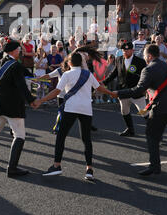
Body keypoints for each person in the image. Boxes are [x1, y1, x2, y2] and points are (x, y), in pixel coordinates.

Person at [110, 44, 167, 175]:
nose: (144, 58)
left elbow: (138, 90)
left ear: (149, 56)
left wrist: (118, 93)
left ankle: (155, 166)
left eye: (145, 56)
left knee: (151, 136)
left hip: (160, 109)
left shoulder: (148, 70)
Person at [33, 52, 116, 181]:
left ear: (70, 63)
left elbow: (56, 91)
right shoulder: (87, 74)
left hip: (70, 108)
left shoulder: (66, 74)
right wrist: (112, 93)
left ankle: (57, 165)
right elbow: (99, 88)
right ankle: (89, 169)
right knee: (86, 139)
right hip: (86, 108)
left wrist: (41, 100)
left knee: (61, 136)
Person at [0, 39, 38, 177]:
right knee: (20, 135)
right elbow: (22, 86)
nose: (20, 51)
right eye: (18, 50)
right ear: (13, 51)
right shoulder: (15, 65)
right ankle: (12, 168)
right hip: (13, 105)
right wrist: (31, 100)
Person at [103, 42, 147, 136]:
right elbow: (114, 73)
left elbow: (145, 77)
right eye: (123, 50)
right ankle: (130, 130)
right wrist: (104, 82)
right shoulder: (118, 59)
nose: (125, 52)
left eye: (127, 50)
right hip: (123, 90)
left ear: (132, 50)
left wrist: (145, 88)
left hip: (136, 91)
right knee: (124, 111)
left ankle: (154, 130)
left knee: (143, 112)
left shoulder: (140, 61)